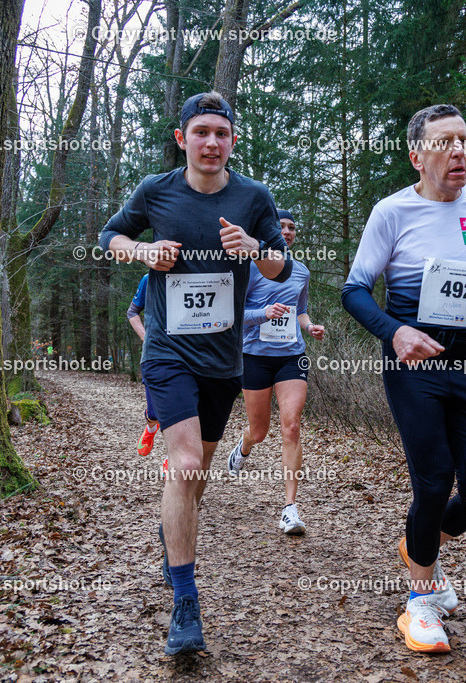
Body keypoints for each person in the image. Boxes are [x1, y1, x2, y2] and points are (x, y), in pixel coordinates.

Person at [99, 92, 292, 656]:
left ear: (233, 140)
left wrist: (255, 247)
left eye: (222, 133)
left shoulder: (254, 197)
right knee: (183, 464)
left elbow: (279, 267)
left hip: (223, 361)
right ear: (182, 139)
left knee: (197, 473)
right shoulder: (155, 191)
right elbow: (109, 237)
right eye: (201, 132)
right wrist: (142, 254)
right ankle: (185, 601)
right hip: (167, 352)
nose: (212, 142)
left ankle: (173, 531)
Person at [341, 104, 466, 654]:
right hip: (414, 366)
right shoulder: (391, 213)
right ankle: (419, 601)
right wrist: (396, 333)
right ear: (416, 157)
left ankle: (420, 546)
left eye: (464, 141)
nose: (459, 151)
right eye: (445, 142)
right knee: (433, 480)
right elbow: (353, 291)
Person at [227, 209, 325, 534]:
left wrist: (309, 327)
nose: (286, 231)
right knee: (259, 432)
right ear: (270, 231)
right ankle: (243, 446)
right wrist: (263, 314)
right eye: (280, 226)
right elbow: (235, 313)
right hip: (254, 356)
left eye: (291, 227)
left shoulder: (302, 271)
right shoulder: (251, 268)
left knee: (292, 426)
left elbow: (301, 310)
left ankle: (290, 509)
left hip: (291, 357)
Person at [127, 274, 162, 459]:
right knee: (156, 413)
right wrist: (145, 336)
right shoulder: (149, 279)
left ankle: (173, 459)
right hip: (156, 354)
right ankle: (151, 427)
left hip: (191, 355)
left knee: (185, 416)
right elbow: (132, 312)